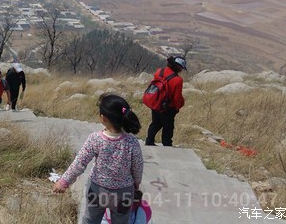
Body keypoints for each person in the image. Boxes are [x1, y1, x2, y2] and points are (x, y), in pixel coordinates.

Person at [53, 94, 143, 224]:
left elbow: (79, 163)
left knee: (90, 220)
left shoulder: (95, 139)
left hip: (97, 190)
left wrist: (64, 182)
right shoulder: (132, 142)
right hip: (123, 193)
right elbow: (137, 167)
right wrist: (136, 183)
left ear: (103, 118)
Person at [145, 56, 186, 147]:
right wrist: (179, 106)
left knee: (155, 123)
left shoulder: (160, 71)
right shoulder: (178, 80)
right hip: (168, 107)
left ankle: (149, 141)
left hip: (155, 102)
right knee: (168, 127)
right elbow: (177, 98)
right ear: (179, 67)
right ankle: (167, 145)